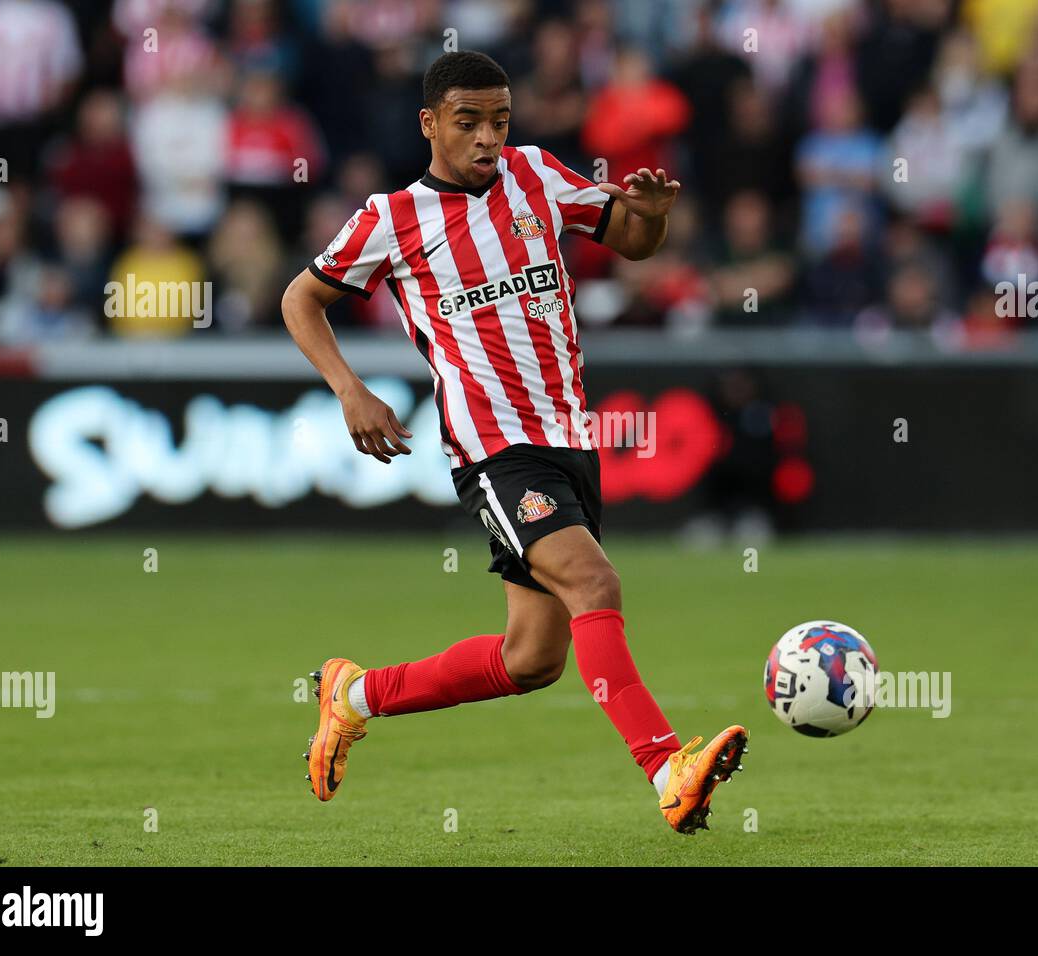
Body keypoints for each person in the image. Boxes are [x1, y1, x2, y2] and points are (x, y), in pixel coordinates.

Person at [280, 51, 748, 834]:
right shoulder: (392, 218)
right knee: (595, 585)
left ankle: (352, 695)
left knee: (532, 659)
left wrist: (654, 210)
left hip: (571, 439)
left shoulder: (537, 175)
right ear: (430, 124)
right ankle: (669, 770)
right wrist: (349, 389)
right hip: (495, 449)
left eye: (500, 119)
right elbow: (302, 297)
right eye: (469, 122)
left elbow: (633, 243)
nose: (489, 137)